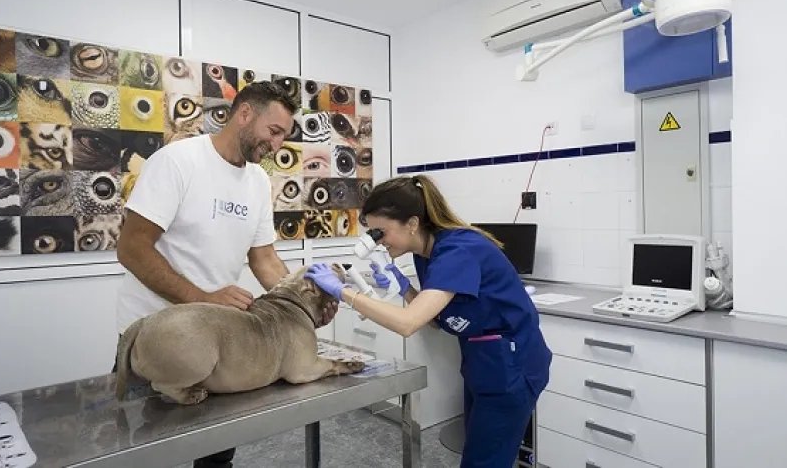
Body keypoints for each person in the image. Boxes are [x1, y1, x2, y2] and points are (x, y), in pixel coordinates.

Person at [113, 81, 338, 468]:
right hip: (155, 335)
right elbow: (132, 248)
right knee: (139, 454)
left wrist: (306, 304)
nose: (277, 145)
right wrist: (201, 298)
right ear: (245, 114)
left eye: (283, 136)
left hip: (222, 348)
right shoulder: (177, 161)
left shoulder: (258, 181)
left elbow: (264, 259)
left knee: (215, 459)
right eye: (274, 131)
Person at [304, 174, 553, 468]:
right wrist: (405, 288)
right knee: (480, 452)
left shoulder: (458, 251)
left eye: (380, 233)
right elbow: (435, 319)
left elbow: (408, 323)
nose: (377, 243)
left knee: (485, 460)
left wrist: (343, 291)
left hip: (513, 365)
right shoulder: (426, 253)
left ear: (412, 223)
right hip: (484, 361)